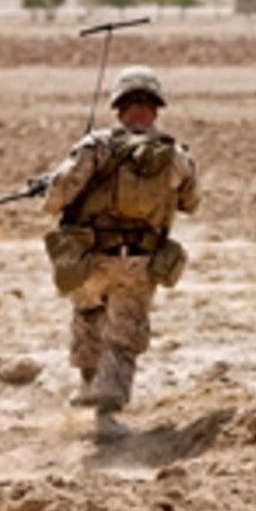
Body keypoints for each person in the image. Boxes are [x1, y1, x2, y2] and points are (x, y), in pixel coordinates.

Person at [42, 65, 200, 442]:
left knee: (87, 313)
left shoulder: (95, 146)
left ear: (117, 107)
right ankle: (106, 414)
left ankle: (86, 383)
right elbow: (191, 203)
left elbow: (57, 197)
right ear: (156, 110)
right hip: (140, 261)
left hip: (89, 257)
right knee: (124, 334)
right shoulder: (175, 155)